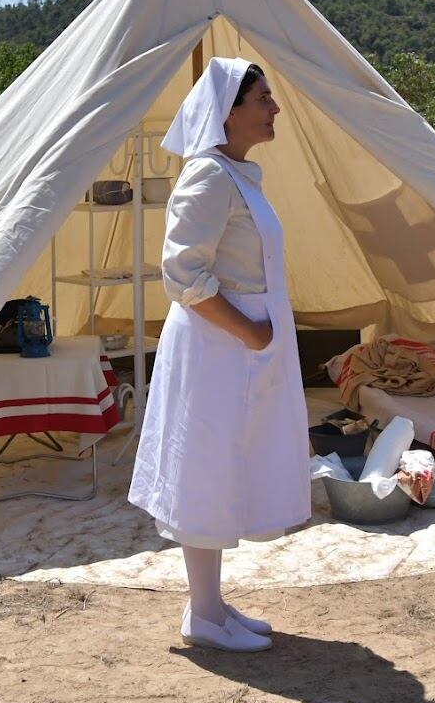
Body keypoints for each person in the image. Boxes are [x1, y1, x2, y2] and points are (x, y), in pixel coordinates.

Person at [128, 57, 310, 653]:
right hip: (218, 350)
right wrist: (250, 333)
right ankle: (203, 614)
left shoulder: (236, 174)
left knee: (231, 465)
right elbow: (182, 274)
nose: (273, 108)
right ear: (229, 113)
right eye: (263, 98)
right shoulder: (207, 176)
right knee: (206, 468)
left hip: (241, 350)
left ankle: (210, 604)